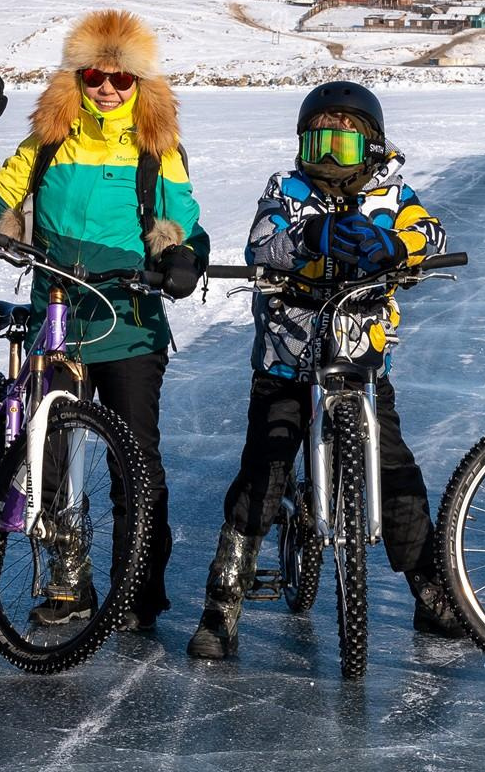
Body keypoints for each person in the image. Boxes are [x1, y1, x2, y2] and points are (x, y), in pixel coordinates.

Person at [187, 81, 465, 661]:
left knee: (395, 471)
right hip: (288, 358)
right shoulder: (286, 189)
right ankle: (223, 600)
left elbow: (431, 232)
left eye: (344, 145)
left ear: (372, 146)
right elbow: (261, 245)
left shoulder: (392, 193)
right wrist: (308, 236)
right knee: (263, 470)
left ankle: (429, 586)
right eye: (319, 145)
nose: (330, 158)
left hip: (360, 362)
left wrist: (394, 246)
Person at [0, 10, 209, 629]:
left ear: (140, 84)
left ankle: (138, 587)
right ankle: (69, 581)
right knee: (52, 454)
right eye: (95, 76)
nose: (108, 89)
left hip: (129, 321)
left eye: (122, 80)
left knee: (135, 461)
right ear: (78, 77)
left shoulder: (157, 149)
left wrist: (184, 259)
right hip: (58, 319)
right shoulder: (50, 141)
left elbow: (185, 223)